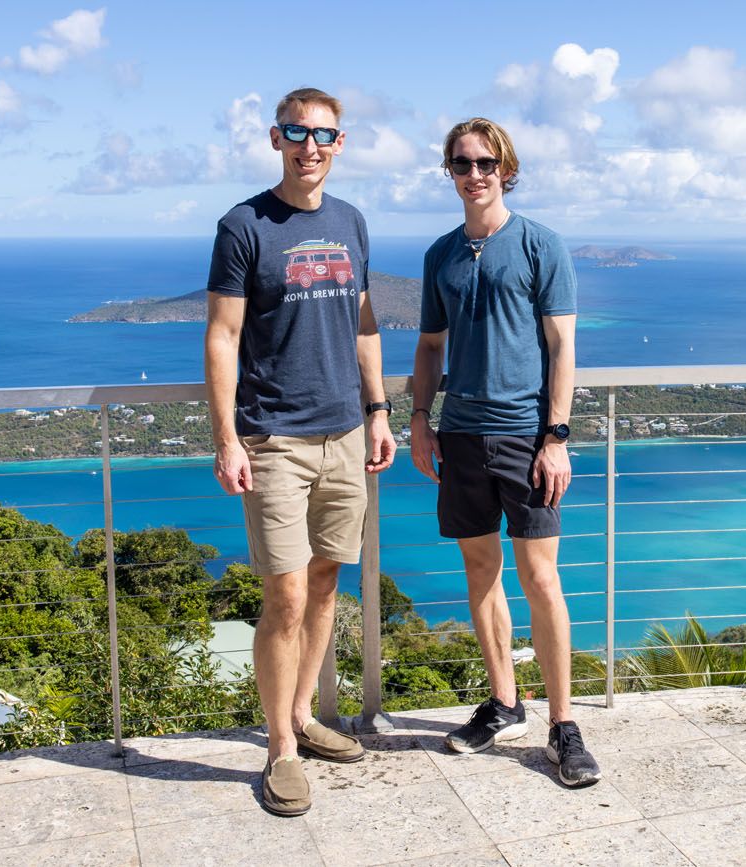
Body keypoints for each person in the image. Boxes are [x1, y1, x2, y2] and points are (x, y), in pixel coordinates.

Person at [205, 86, 396, 816]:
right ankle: (279, 746)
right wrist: (226, 437)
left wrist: (378, 411)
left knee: (325, 585)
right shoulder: (244, 224)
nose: (309, 146)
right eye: (296, 132)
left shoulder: (351, 222)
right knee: (284, 594)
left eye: (323, 134)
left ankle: (307, 717)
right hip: (275, 438)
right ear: (276, 138)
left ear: (340, 143)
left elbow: (364, 325)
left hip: (346, 432)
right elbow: (222, 336)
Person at [410, 117, 600, 787]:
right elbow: (431, 348)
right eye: (462, 164)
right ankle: (504, 701)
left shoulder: (542, 245)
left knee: (541, 578)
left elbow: (561, 347)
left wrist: (556, 437)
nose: (475, 174)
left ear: (507, 169)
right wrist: (418, 418)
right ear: (451, 173)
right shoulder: (442, 256)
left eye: (486, 163)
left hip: (526, 435)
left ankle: (563, 725)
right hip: (460, 431)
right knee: (480, 570)